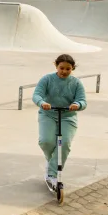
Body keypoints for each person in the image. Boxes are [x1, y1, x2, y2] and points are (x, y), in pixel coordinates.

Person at [33, 54, 87, 193]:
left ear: (72, 68)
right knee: (46, 141)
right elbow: (36, 95)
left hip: (68, 116)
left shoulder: (76, 83)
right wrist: (42, 103)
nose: (64, 71)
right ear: (56, 66)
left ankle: (52, 174)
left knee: (65, 144)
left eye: (68, 69)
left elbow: (83, 101)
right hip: (48, 114)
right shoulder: (47, 79)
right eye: (61, 68)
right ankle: (52, 162)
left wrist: (77, 104)